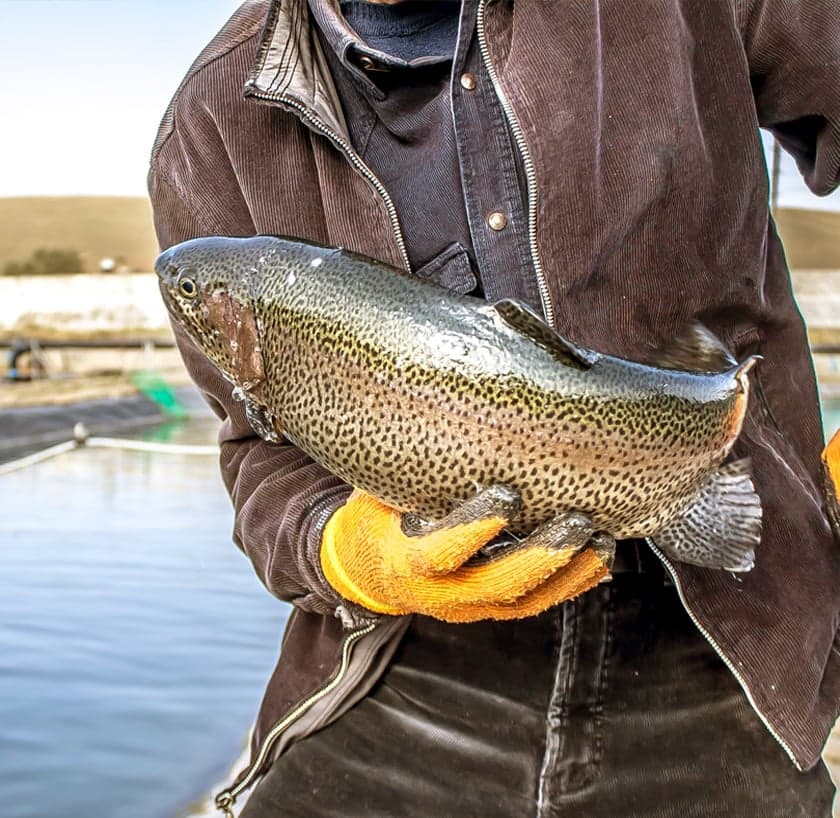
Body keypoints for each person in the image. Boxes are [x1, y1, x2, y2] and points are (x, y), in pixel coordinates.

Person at [148, 1, 840, 815]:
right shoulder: (210, 124)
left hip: (735, 638)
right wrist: (345, 553)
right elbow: (257, 455)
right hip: (401, 675)